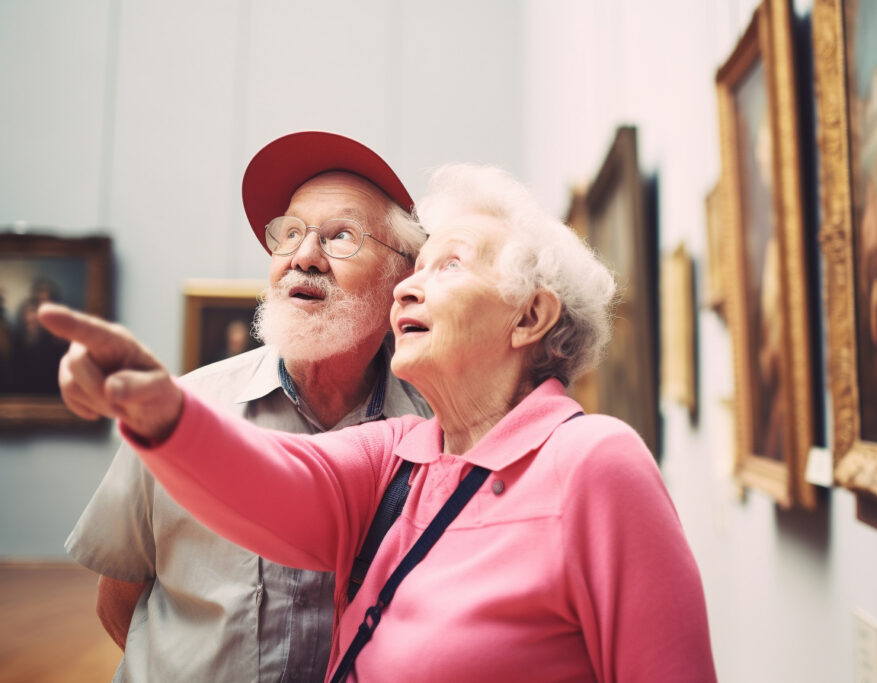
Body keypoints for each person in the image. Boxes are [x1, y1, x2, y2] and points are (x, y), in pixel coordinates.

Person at [42, 163, 717, 682]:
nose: (406, 288)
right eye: (415, 268)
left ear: (529, 316)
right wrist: (162, 406)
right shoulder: (403, 451)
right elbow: (269, 480)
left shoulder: (596, 462)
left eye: (447, 266)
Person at [63, 131, 431, 682]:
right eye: (289, 235)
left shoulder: (434, 434)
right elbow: (119, 601)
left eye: (341, 237)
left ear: (400, 277)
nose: (303, 257)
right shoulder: (178, 414)